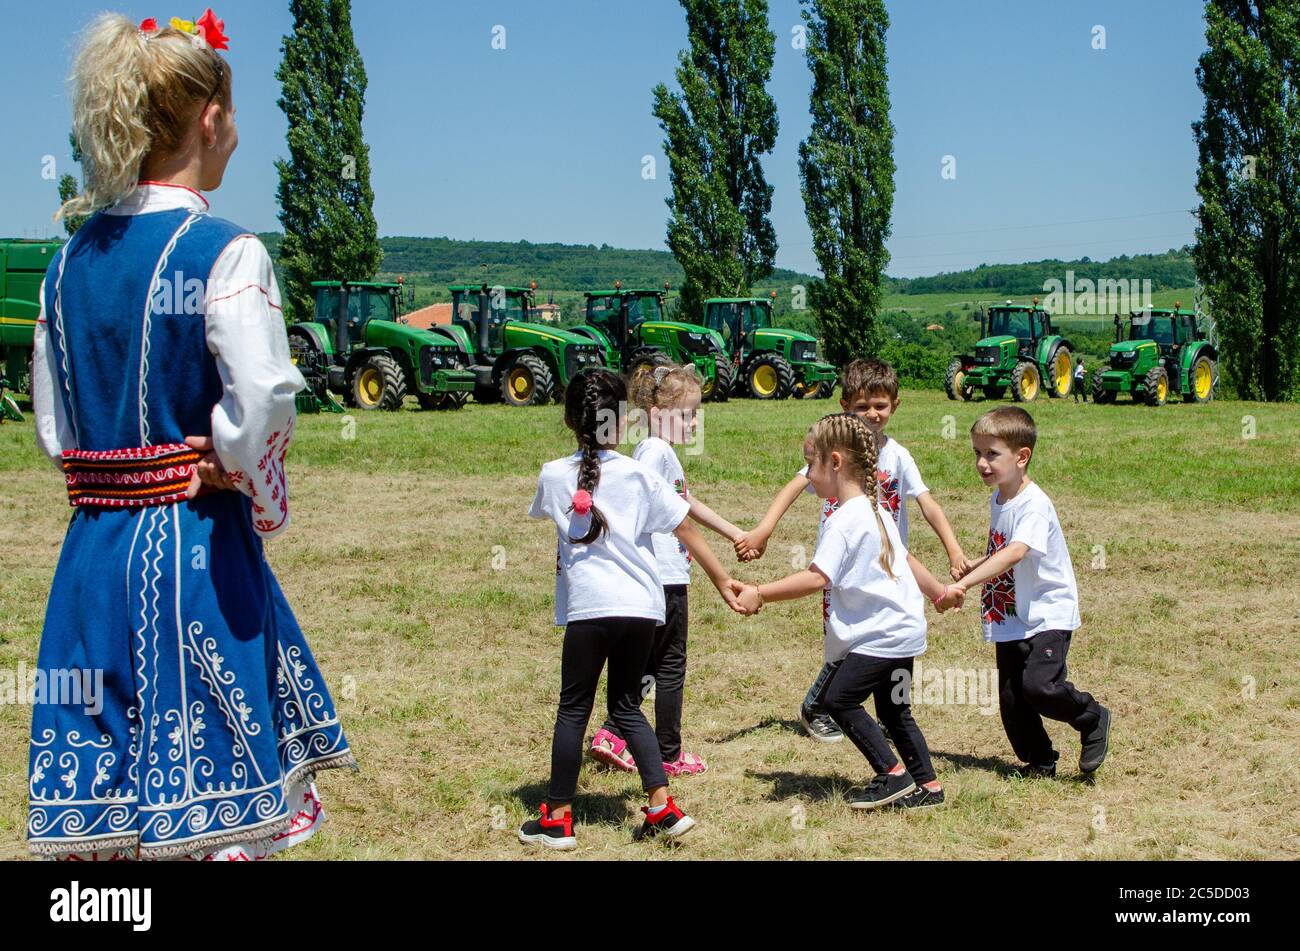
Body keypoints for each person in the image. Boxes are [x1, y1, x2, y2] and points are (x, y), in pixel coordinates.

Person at [28, 11, 354, 861]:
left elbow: (58, 432)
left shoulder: (65, 264)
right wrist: (241, 475)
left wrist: (123, 470)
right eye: (235, 112)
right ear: (211, 117)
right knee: (212, 813)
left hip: (91, 557)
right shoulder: (225, 251)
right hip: (192, 551)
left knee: (116, 817)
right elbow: (264, 401)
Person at [521, 368, 750, 850]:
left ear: (568, 419)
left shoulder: (552, 474)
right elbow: (683, 526)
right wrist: (723, 578)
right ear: (623, 424)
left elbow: (555, 509)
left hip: (589, 609)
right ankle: (661, 806)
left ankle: (559, 818)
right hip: (643, 609)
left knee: (573, 710)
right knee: (626, 705)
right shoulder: (641, 474)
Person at [735, 359, 970, 743]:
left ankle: (893, 717)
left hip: (887, 560)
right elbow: (795, 486)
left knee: (885, 636)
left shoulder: (898, 456)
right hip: (842, 562)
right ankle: (818, 704)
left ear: (896, 405)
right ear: (845, 405)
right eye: (862, 407)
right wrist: (763, 530)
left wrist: (954, 550)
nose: (872, 414)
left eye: (880, 405)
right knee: (848, 638)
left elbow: (928, 504)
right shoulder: (832, 453)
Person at [588, 360, 744, 778]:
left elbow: (684, 502)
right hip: (666, 577)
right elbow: (674, 516)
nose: (696, 423)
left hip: (656, 577)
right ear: (658, 416)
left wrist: (733, 532)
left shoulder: (657, 452)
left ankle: (612, 733)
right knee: (671, 665)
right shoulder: (655, 452)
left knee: (648, 665)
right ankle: (668, 752)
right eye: (689, 414)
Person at [953, 407, 1111, 776]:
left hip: (1046, 613)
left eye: (991, 454)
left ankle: (1092, 717)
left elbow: (1016, 552)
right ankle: (1040, 760)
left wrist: (966, 582)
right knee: (1011, 698)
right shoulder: (1000, 498)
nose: (981, 463)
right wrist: (976, 565)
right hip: (1012, 615)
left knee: (1039, 686)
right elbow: (1003, 551)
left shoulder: (1035, 505)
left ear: (1022, 457)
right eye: (977, 453)